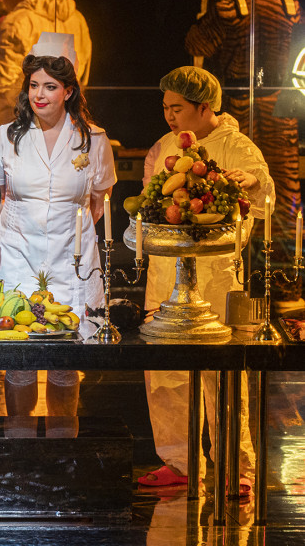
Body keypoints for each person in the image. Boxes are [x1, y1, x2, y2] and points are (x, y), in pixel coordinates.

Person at [138, 66, 272, 494]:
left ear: (204, 107)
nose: (169, 117)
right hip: (165, 275)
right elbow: (149, 205)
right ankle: (178, 461)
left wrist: (249, 183)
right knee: (166, 375)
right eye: (164, 108)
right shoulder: (163, 148)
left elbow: (264, 196)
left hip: (215, 277)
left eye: (177, 108)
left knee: (224, 374)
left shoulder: (236, 145)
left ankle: (236, 464)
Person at [0, 38, 115, 432]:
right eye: (33, 85)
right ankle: (19, 449)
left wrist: (71, 238)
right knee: (19, 361)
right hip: (17, 255)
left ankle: (64, 455)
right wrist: (9, 239)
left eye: (50, 86)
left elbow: (99, 200)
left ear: (68, 91)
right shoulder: (6, 136)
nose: (39, 94)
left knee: (65, 363)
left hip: (71, 259)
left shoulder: (93, 139)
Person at [185, 0, 302, 309]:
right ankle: (283, 289)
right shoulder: (289, 3)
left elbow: (197, 43)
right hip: (281, 108)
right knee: (283, 196)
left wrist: (206, 11)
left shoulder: (231, 5)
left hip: (245, 106)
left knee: (237, 196)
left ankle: (246, 288)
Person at [0, 0, 92, 131]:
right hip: (65, 125)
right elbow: (83, 71)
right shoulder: (76, 18)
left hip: (18, 128)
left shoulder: (15, 22)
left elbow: (0, 80)